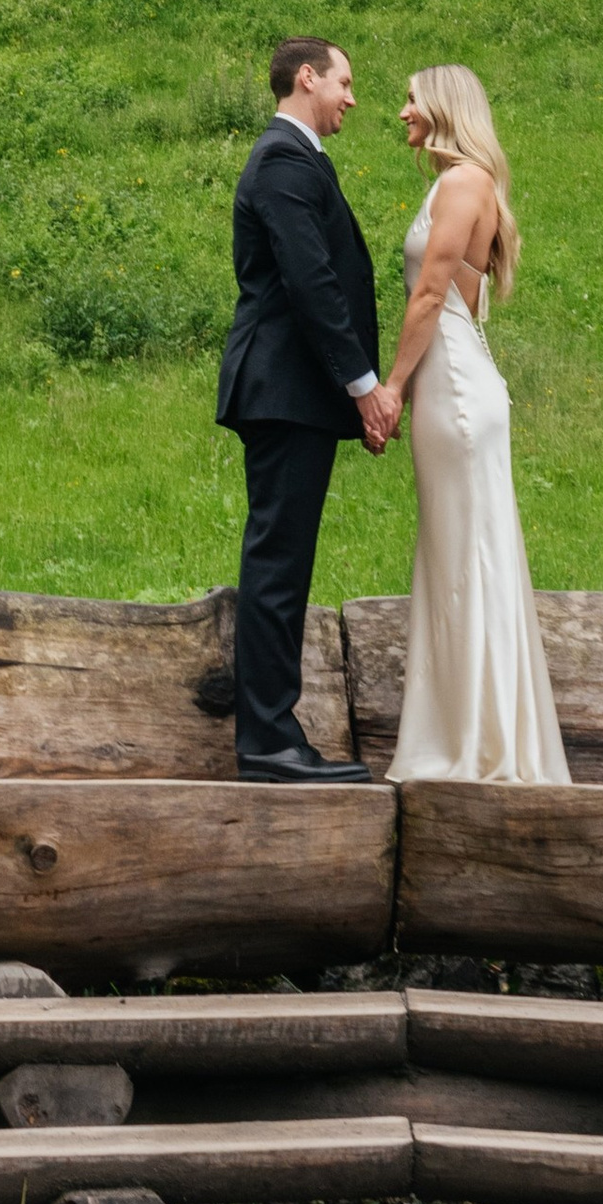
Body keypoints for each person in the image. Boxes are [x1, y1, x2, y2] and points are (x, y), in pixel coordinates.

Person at [384, 65, 569, 784]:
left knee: (468, 554)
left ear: (441, 110)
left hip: (453, 387)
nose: (401, 111)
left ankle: (471, 742)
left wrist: (392, 387)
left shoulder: (462, 183)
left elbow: (430, 293)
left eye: (411, 100)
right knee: (464, 550)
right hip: (457, 383)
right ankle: (479, 730)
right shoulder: (463, 182)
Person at [217, 38, 387, 783]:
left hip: (294, 395)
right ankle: (267, 740)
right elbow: (312, 281)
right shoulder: (284, 159)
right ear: (308, 77)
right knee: (278, 564)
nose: (352, 97)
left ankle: (275, 732)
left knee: (285, 560)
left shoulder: (299, 157)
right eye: (345, 81)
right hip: (286, 391)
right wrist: (363, 384)